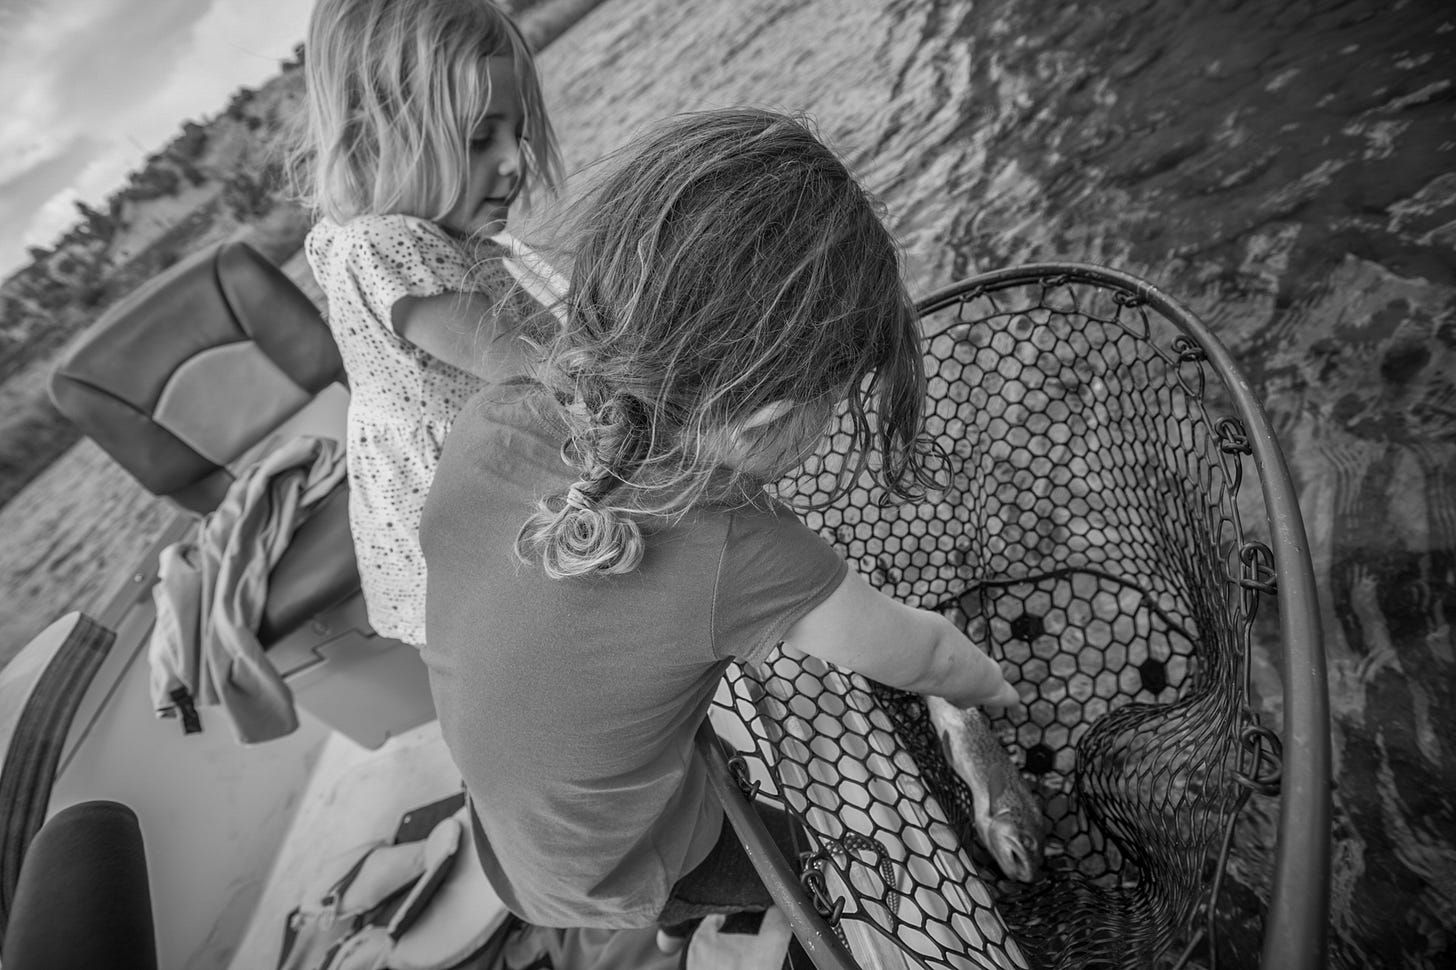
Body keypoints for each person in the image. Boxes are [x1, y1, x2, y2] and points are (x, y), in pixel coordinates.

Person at [421, 108, 1020, 936]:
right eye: (835, 399)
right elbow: (926, 654)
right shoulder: (739, 548)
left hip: (512, 821)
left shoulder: (495, 413)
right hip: (616, 865)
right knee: (842, 873)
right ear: (767, 416)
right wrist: (988, 689)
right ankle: (717, 926)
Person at [291, 0, 566, 646]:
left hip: (487, 495)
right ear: (375, 135)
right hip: (471, 534)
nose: (513, 162)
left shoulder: (429, 226)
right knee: (531, 654)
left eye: (518, 133)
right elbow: (535, 366)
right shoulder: (386, 247)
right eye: (479, 139)